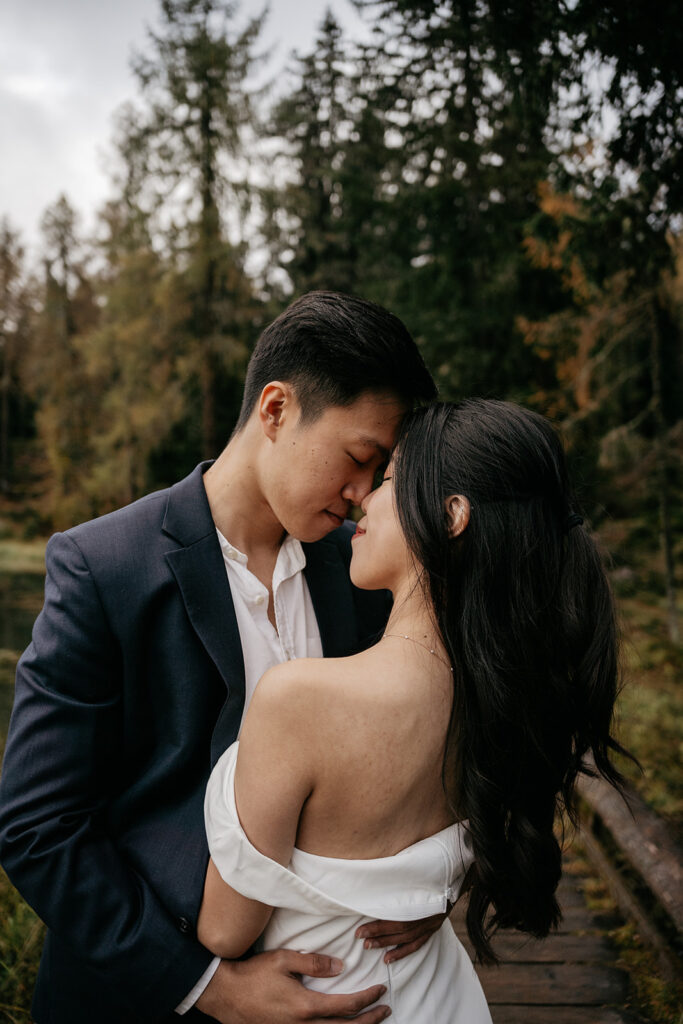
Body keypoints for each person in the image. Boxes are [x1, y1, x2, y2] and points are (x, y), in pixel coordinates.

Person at [0, 291, 438, 1024]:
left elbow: (415, 746)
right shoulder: (101, 566)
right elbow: (36, 825)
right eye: (358, 459)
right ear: (274, 410)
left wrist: (431, 888)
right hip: (142, 998)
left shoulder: (363, 574)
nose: (364, 495)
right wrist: (208, 987)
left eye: (379, 473)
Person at [198, 399, 630, 1023]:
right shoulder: (498, 697)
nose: (365, 500)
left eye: (393, 479)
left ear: (452, 515)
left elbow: (223, 933)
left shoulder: (299, 702)